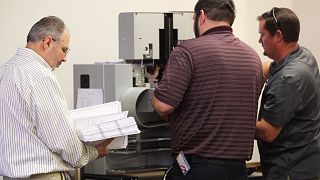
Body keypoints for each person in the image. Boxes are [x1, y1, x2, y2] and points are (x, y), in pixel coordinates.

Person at [151, 0, 264, 179]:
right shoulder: (252, 57)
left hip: (197, 167)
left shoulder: (187, 51)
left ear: (201, 16)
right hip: (238, 169)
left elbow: (163, 105)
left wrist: (156, 94)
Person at [0, 16, 112, 179]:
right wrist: (94, 152)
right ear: (47, 42)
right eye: (64, 49)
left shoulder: (5, 71)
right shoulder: (40, 76)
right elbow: (64, 141)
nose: (65, 58)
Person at [255, 7, 320, 180]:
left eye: (262, 35)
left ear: (278, 36)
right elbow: (267, 68)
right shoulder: (303, 55)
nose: (259, 40)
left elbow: (267, 133)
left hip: (290, 170)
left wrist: (230, 120)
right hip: (306, 163)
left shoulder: (288, 78)